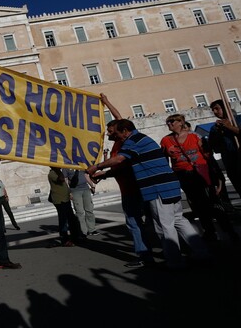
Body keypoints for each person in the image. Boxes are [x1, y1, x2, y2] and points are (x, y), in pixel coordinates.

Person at [87, 119, 210, 270]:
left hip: (157, 187)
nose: (116, 136)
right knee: (179, 220)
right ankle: (201, 252)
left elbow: (120, 159)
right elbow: (123, 166)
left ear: (125, 131)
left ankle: (175, 261)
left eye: (117, 133)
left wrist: (96, 167)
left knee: (164, 226)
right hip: (169, 184)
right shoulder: (141, 138)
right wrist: (104, 174)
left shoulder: (133, 141)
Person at [96, 93, 155, 267]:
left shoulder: (124, 141)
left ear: (120, 131)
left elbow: (119, 119)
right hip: (128, 187)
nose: (107, 133)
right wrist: (106, 174)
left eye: (110, 130)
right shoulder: (117, 144)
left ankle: (146, 256)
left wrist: (106, 102)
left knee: (135, 222)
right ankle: (153, 253)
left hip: (133, 188)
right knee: (144, 222)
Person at [160, 113, 239, 243]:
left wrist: (218, 177)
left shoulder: (195, 136)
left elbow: (208, 157)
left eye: (172, 121)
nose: (169, 124)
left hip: (201, 173)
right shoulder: (165, 141)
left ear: (181, 122)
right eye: (167, 122)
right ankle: (210, 232)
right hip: (183, 175)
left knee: (214, 203)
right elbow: (164, 160)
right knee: (198, 205)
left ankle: (229, 231)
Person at [208, 99, 241, 197]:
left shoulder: (238, 119)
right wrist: (218, 132)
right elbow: (213, 146)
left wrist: (229, 127)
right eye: (213, 110)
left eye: (217, 108)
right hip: (230, 160)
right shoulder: (215, 128)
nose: (215, 112)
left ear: (226, 107)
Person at [47, 167, 84, 247]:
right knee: (63, 221)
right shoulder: (52, 174)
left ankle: (76, 237)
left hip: (65, 199)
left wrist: (69, 193)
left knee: (72, 219)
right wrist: (57, 170)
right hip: (60, 201)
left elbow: (64, 185)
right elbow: (61, 179)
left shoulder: (58, 172)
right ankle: (65, 240)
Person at [64, 169, 97, 236]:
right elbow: (65, 180)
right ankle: (83, 231)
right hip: (75, 191)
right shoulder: (65, 166)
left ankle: (92, 229)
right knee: (80, 212)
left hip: (85, 189)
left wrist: (92, 185)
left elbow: (86, 175)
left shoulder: (80, 162)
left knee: (89, 210)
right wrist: (69, 192)